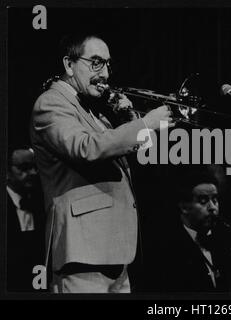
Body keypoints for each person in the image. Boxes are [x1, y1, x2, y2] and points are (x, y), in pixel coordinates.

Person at [30, 33, 174, 293]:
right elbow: (86, 148)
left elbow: (142, 152)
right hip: (83, 253)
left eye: (108, 64)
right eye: (96, 63)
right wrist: (145, 123)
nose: (105, 73)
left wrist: (130, 116)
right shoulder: (51, 103)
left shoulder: (93, 112)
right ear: (68, 64)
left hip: (114, 251)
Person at [148, 167, 231, 292]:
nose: (212, 207)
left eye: (215, 199)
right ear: (184, 207)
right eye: (203, 201)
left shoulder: (227, 237)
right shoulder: (165, 248)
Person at [6, 146, 46, 292]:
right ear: (6, 172)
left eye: (34, 167)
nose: (33, 173)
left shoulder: (41, 203)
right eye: (24, 167)